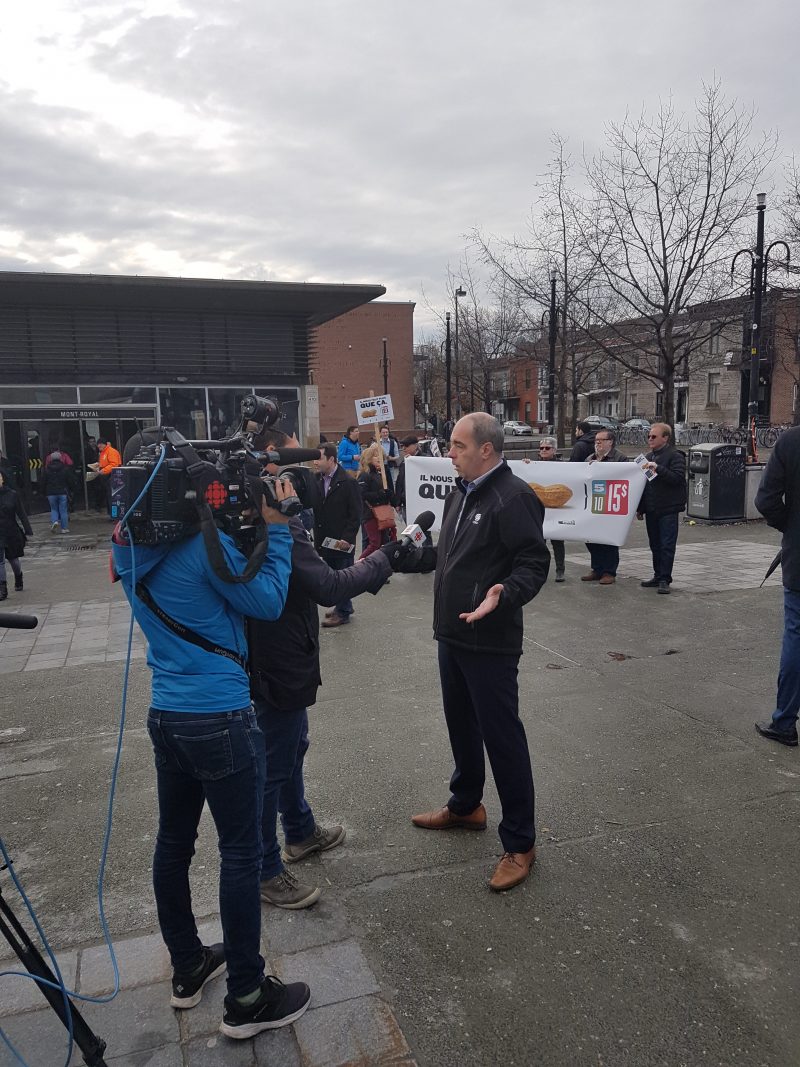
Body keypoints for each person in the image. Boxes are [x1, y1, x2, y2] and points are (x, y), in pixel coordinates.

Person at [111, 472, 311, 1039]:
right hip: (220, 716)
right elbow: (267, 600)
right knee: (241, 852)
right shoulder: (203, 548)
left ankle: (188, 965)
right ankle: (248, 995)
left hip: (166, 715)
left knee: (173, 843)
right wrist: (275, 531)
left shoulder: (126, 548)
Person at [401, 413, 550, 892]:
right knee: (460, 725)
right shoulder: (458, 493)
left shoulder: (514, 497)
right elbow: (452, 558)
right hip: (453, 635)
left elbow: (534, 562)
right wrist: (418, 559)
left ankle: (521, 842)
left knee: (502, 739)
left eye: (458, 445)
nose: (451, 452)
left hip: (491, 641)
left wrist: (502, 593)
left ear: (486, 449)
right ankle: (466, 805)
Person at [248, 432, 394, 908]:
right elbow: (329, 585)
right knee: (273, 762)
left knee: (291, 747)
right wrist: (385, 560)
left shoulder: (244, 520)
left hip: (273, 657)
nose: (294, 479)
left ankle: (300, 829)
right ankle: (267, 868)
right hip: (280, 660)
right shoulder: (276, 529)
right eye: (284, 469)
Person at [754, 427, 800, 746]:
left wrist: (790, 526)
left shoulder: (791, 440)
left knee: (796, 636)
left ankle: (784, 721)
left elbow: (766, 499)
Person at [314, 443, 362, 628]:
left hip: (342, 540)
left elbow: (356, 513)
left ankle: (342, 612)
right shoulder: (317, 479)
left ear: (331, 459)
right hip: (325, 539)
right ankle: (344, 605)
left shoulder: (348, 482)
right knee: (333, 573)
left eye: (319, 458)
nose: (316, 462)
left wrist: (347, 538)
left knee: (343, 574)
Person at [636, 422, 687, 594]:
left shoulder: (675, 455)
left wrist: (659, 468)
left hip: (668, 508)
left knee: (666, 544)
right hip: (652, 508)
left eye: (654, 436)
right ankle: (658, 575)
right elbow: (646, 485)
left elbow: (678, 479)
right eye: (649, 436)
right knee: (655, 544)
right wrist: (641, 508)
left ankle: (665, 578)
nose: (650, 439)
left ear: (665, 438)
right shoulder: (647, 457)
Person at [582, 430, 629, 586]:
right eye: (596, 440)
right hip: (594, 503)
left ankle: (609, 571)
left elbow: (624, 479)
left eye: (601, 440)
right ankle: (597, 568)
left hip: (610, 504)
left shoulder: (620, 458)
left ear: (611, 442)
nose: (598, 443)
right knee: (591, 538)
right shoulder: (590, 458)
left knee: (608, 539)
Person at [536, 437, 565, 583]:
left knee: (558, 542)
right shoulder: (533, 465)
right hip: (539, 510)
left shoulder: (562, 465)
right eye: (541, 448)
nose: (543, 451)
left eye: (547, 448)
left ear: (554, 450)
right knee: (539, 543)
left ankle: (560, 570)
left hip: (556, 509)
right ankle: (540, 571)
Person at [357, 445, 393, 559]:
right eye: (375, 456)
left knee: (384, 542)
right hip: (370, 513)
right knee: (374, 543)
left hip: (381, 513)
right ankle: (359, 565)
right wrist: (381, 494)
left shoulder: (379, 474)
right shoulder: (364, 475)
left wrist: (389, 495)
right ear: (369, 459)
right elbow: (362, 494)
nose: (379, 458)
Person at [0, 470, 32, 600]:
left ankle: (18, 576)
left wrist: (27, 529)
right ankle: (2, 589)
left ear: (3, 479)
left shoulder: (12, 495)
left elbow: (21, 513)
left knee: (13, 560)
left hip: (10, 531)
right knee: (0, 561)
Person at [42, 450, 73, 534]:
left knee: (54, 509)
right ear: (60, 458)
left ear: (51, 459)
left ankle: (54, 521)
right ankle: (64, 528)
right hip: (62, 491)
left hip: (51, 493)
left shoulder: (47, 470)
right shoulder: (64, 469)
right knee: (63, 510)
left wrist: (43, 491)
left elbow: (43, 482)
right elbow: (69, 481)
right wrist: (71, 489)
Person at [394, 435, 419, 522]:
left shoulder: (424, 459)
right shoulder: (404, 462)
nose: (404, 448)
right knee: (409, 529)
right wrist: (397, 502)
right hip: (405, 502)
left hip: (418, 503)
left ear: (415, 446)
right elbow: (399, 483)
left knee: (421, 531)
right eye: (402, 446)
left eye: (407, 446)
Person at [95, 437, 122, 516]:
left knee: (112, 497)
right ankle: (112, 515)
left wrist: (103, 470)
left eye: (100, 445)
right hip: (106, 477)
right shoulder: (103, 452)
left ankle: (115, 515)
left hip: (112, 476)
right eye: (98, 446)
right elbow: (105, 463)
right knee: (109, 496)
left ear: (104, 444)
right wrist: (98, 466)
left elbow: (114, 464)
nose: (99, 447)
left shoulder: (111, 452)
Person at [379, 425, 401, 490]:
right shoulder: (377, 443)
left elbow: (397, 455)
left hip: (390, 466)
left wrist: (391, 458)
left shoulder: (393, 443)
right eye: (383, 432)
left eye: (386, 432)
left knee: (391, 483)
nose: (385, 434)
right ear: (380, 433)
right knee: (381, 483)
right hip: (379, 467)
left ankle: (391, 497)